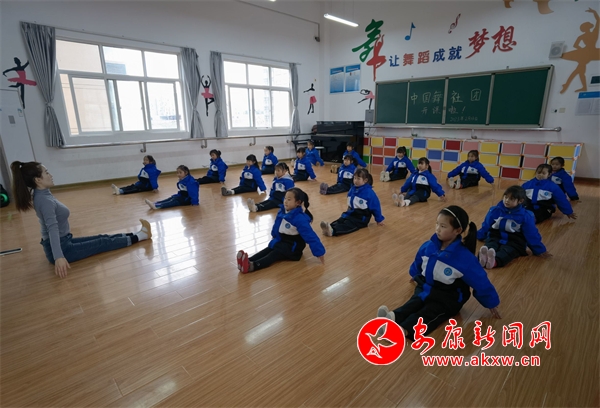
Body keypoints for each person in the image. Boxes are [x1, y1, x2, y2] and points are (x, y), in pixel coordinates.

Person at [377, 206, 501, 341]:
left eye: (443, 226)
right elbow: (419, 261)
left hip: (448, 297)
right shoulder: (428, 246)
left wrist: (491, 302)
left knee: (430, 312)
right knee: (414, 302)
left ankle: (404, 330)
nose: (437, 228)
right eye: (437, 224)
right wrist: (414, 274)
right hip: (427, 287)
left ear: (457, 230)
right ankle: (392, 317)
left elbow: (480, 281)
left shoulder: (465, 258)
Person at [10, 161, 152, 278]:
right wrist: (58, 257)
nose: (50, 175)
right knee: (102, 243)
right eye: (46, 172)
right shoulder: (44, 200)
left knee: (101, 237)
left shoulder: (43, 194)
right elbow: (52, 229)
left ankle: (135, 234)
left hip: (64, 241)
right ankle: (141, 236)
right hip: (62, 248)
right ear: (38, 180)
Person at [237, 187, 325, 273]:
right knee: (269, 248)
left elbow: (311, 236)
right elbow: (277, 226)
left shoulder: (300, 219)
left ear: (298, 202)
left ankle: (253, 266)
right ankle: (248, 260)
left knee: (274, 254)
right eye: (285, 198)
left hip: (293, 247)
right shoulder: (282, 212)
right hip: (282, 240)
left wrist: (319, 253)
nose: (285, 201)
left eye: (289, 199)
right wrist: (274, 236)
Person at [477, 185, 551, 269]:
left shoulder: (526, 216)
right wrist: (479, 235)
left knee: (507, 251)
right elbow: (486, 225)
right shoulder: (494, 210)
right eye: (506, 197)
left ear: (520, 201)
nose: (507, 200)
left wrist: (539, 250)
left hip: (515, 242)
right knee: (490, 246)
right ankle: (482, 258)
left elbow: (531, 234)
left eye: (511, 199)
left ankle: (494, 262)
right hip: (496, 237)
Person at [320, 168, 384, 236]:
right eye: (355, 178)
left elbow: (376, 207)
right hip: (351, 212)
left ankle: (333, 231)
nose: (356, 180)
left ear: (365, 180)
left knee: (348, 224)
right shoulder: (352, 189)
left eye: (358, 179)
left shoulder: (369, 193)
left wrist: (379, 219)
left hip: (361, 218)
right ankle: (329, 227)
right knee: (341, 219)